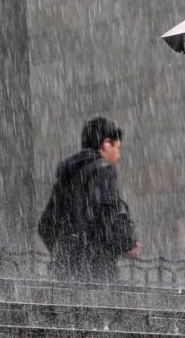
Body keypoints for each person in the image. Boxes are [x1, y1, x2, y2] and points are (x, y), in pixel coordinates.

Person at [38, 117, 139, 283]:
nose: (118, 155)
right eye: (117, 148)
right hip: (96, 270)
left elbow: (45, 224)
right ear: (106, 143)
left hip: (64, 269)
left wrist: (65, 251)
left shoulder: (68, 175)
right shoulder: (104, 170)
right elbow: (108, 213)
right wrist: (127, 244)